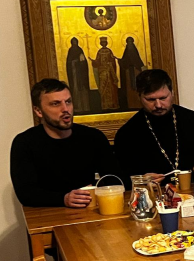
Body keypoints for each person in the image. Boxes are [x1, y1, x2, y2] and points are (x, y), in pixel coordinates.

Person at [10, 79, 117, 208]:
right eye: (55, 104)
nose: (65, 109)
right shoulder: (24, 143)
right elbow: (26, 193)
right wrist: (63, 199)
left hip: (90, 210)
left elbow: (114, 178)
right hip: (47, 214)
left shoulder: (93, 137)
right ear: (38, 111)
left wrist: (99, 190)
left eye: (68, 102)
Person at [113, 69, 194, 182]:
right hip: (153, 192)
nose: (158, 105)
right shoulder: (127, 133)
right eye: (150, 99)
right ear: (139, 97)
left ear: (172, 93)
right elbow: (120, 178)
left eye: (163, 98)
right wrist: (141, 180)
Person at [65, 37, 91, 115]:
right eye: (73, 42)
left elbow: (84, 62)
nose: (75, 43)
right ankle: (78, 108)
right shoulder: (70, 51)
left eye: (75, 42)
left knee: (83, 90)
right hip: (75, 76)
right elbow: (69, 63)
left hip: (82, 76)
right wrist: (74, 62)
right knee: (76, 90)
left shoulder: (80, 50)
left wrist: (81, 62)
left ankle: (86, 107)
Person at [93, 36, 120, 110]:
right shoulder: (99, 52)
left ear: (107, 43)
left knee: (111, 88)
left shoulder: (109, 51)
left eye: (105, 42)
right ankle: (105, 105)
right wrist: (94, 62)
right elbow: (97, 62)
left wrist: (110, 63)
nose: (104, 44)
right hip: (102, 72)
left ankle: (112, 104)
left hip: (109, 72)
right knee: (103, 88)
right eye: (102, 43)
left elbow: (112, 60)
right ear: (101, 43)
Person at [119, 36, 146, 109]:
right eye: (128, 43)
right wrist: (120, 61)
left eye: (131, 42)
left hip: (136, 72)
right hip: (128, 73)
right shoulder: (126, 53)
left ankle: (138, 104)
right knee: (130, 90)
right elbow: (124, 62)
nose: (130, 44)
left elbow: (138, 62)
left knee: (137, 88)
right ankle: (131, 105)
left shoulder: (134, 52)